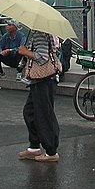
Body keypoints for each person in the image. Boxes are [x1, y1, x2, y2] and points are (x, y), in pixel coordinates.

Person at [18, 30, 60, 162]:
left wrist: (26, 52)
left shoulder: (40, 34)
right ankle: (34, 146)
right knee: (30, 111)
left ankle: (51, 151)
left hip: (43, 79)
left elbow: (42, 57)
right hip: (40, 80)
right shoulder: (42, 33)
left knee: (43, 114)